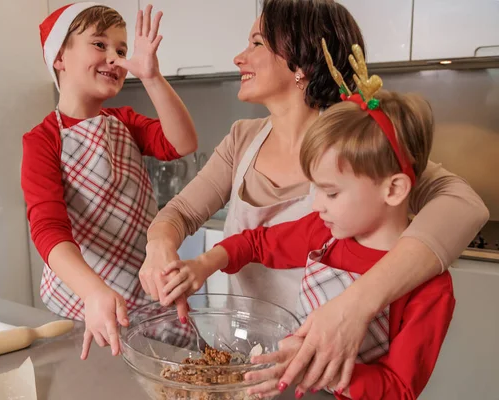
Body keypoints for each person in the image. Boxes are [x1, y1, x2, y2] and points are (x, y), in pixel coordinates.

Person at [141, 0, 488, 393]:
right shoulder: (242, 138)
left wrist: (354, 305)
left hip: (321, 379)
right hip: (241, 361)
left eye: (256, 42)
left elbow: (466, 205)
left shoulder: (358, 145)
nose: (239, 57)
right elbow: (181, 213)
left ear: (301, 61)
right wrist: (160, 247)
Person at [21, 3, 198, 360]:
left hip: (148, 294)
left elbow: (182, 143)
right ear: (59, 57)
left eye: (121, 49)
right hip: (81, 302)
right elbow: (49, 229)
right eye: (99, 45)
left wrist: (152, 77)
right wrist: (93, 292)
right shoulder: (42, 140)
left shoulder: (125, 121)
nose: (115, 58)